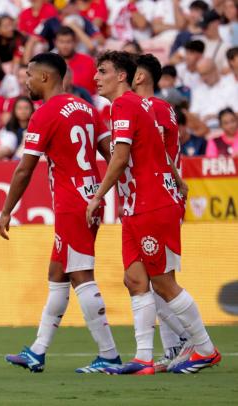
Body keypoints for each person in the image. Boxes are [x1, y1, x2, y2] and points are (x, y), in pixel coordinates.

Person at [88, 51, 221, 375]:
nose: (95, 77)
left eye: (102, 71)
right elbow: (158, 149)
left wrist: (97, 196)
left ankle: (204, 348)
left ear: (122, 76)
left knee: (162, 282)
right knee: (134, 279)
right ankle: (144, 357)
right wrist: (178, 180)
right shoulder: (138, 107)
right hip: (136, 206)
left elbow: (119, 158)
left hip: (150, 202)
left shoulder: (125, 105)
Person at [0, 53, 120, 374]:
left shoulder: (45, 114)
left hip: (71, 205)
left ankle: (109, 355)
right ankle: (37, 351)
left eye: (28, 75)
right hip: (90, 198)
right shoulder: (88, 109)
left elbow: (24, 170)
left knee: (81, 274)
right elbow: (111, 154)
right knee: (57, 273)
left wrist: (7, 210)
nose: (25, 81)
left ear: (45, 78)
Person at [132, 53, 191, 372]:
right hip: (158, 195)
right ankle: (174, 347)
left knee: (155, 278)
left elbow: (156, 154)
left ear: (140, 77)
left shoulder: (151, 107)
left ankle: (190, 339)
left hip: (158, 196)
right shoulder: (161, 107)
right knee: (147, 278)